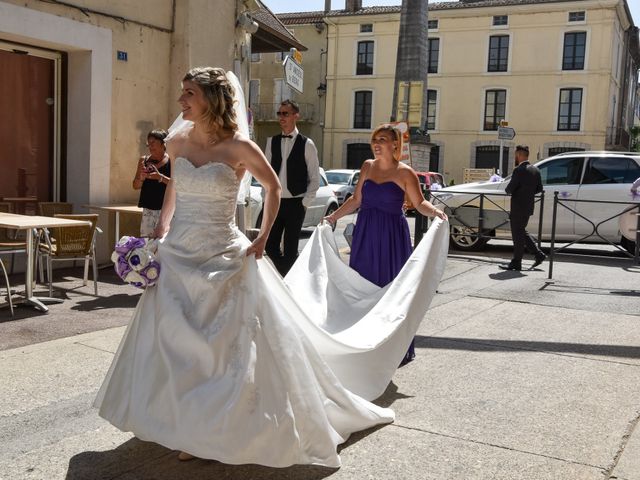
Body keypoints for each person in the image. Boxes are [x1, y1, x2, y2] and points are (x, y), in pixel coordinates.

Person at [94, 67, 396, 468]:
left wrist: (262, 237)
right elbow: (173, 186)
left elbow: (272, 187)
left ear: (212, 99)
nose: (181, 101)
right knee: (173, 343)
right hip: (179, 253)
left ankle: (215, 431)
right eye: (182, 92)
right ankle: (181, 420)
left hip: (223, 254)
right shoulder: (178, 140)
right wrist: (162, 229)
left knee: (222, 349)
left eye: (189, 93)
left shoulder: (239, 147)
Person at [324, 124, 447, 365]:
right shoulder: (367, 167)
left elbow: (419, 203)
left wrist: (436, 212)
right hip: (365, 236)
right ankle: (364, 343)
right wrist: (332, 217)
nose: (377, 143)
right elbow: (356, 199)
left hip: (392, 239)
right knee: (363, 288)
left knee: (391, 290)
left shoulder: (405, 173)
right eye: (374, 139)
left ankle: (390, 347)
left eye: (382, 139)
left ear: (395, 145)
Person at [264, 99, 320, 276]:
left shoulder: (307, 144)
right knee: (269, 246)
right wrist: (266, 198)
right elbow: (265, 174)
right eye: (279, 113)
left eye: (285, 113)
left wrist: (304, 203)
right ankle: (289, 278)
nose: (281, 117)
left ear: (296, 116)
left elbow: (314, 178)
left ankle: (288, 286)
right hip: (275, 202)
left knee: (290, 248)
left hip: (296, 203)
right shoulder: (271, 142)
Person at [500, 145, 545, 271]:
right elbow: (539, 189)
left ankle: (517, 262)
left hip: (518, 207)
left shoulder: (519, 170)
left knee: (517, 235)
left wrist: (512, 191)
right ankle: (538, 254)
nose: (515, 157)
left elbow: (510, 189)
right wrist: (527, 194)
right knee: (521, 232)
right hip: (528, 206)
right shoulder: (535, 170)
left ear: (519, 155)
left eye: (516, 155)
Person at [132, 129, 171, 236]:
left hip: (165, 209)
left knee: (163, 243)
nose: (150, 146)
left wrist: (160, 177)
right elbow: (135, 186)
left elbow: (177, 185)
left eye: (153, 143)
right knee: (146, 242)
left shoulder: (172, 160)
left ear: (163, 143)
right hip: (148, 210)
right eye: (148, 144)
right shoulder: (143, 160)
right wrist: (141, 177)